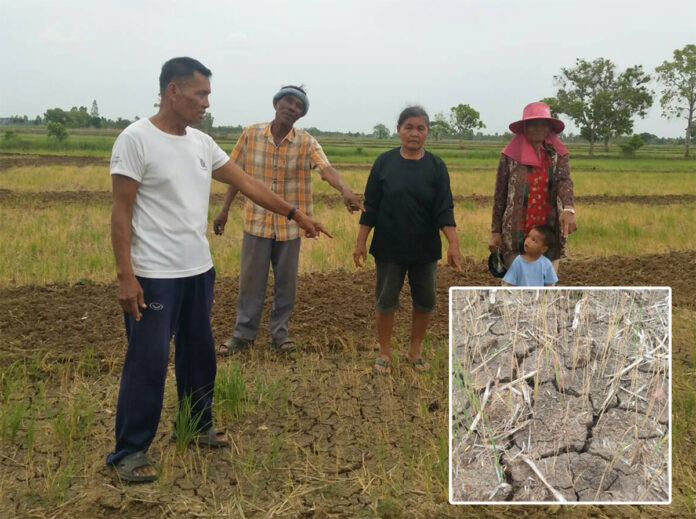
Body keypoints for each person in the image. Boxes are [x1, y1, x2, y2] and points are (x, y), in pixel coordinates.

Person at [107, 57, 329, 482]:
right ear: (173, 91)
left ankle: (195, 426)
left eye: (208, 94)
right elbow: (121, 213)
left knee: (199, 354)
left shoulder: (201, 143)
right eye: (200, 94)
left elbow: (249, 185)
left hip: (198, 271)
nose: (206, 102)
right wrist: (125, 276)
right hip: (153, 274)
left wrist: (295, 214)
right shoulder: (135, 140)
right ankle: (130, 451)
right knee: (148, 361)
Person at [213, 85, 363, 354]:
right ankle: (243, 336)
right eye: (289, 102)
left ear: (301, 115)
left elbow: (326, 170)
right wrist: (224, 210)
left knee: (286, 284)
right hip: (256, 222)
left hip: (291, 228)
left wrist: (345, 189)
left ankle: (280, 335)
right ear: (276, 103)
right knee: (250, 283)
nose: (293, 108)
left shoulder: (306, 142)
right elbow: (236, 175)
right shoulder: (250, 134)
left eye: (299, 106)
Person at [353, 106, 462, 376]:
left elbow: (444, 208)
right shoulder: (384, 163)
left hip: (425, 249)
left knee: (424, 301)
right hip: (389, 247)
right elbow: (371, 206)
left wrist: (453, 244)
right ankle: (385, 352)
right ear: (399, 129)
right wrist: (360, 242)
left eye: (420, 128)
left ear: (427, 133)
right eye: (409, 127)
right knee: (385, 300)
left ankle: (415, 350)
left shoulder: (436, 166)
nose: (414, 133)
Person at [489, 101, 577, 272]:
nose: (538, 129)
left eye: (542, 124)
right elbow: (500, 194)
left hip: (548, 230)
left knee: (546, 287)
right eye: (532, 124)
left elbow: (564, 180)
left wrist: (569, 208)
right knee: (517, 286)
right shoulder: (509, 156)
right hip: (515, 232)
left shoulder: (558, 155)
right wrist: (495, 232)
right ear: (525, 128)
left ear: (548, 128)